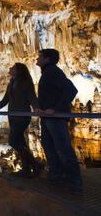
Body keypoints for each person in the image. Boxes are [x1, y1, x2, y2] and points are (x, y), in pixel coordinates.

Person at [36, 48, 82, 192]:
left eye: (40, 57)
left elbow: (71, 90)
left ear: (47, 59)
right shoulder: (48, 72)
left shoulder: (53, 72)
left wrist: (55, 109)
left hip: (55, 118)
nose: (37, 59)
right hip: (47, 117)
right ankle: (58, 175)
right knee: (49, 146)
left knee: (63, 149)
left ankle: (74, 181)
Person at [0, 63, 41, 177]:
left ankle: (36, 164)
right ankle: (26, 169)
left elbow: (31, 96)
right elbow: (6, 99)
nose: (10, 69)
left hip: (22, 116)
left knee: (13, 141)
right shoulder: (12, 82)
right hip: (13, 116)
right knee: (20, 142)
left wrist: (37, 108)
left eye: (12, 68)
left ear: (18, 70)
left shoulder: (25, 82)